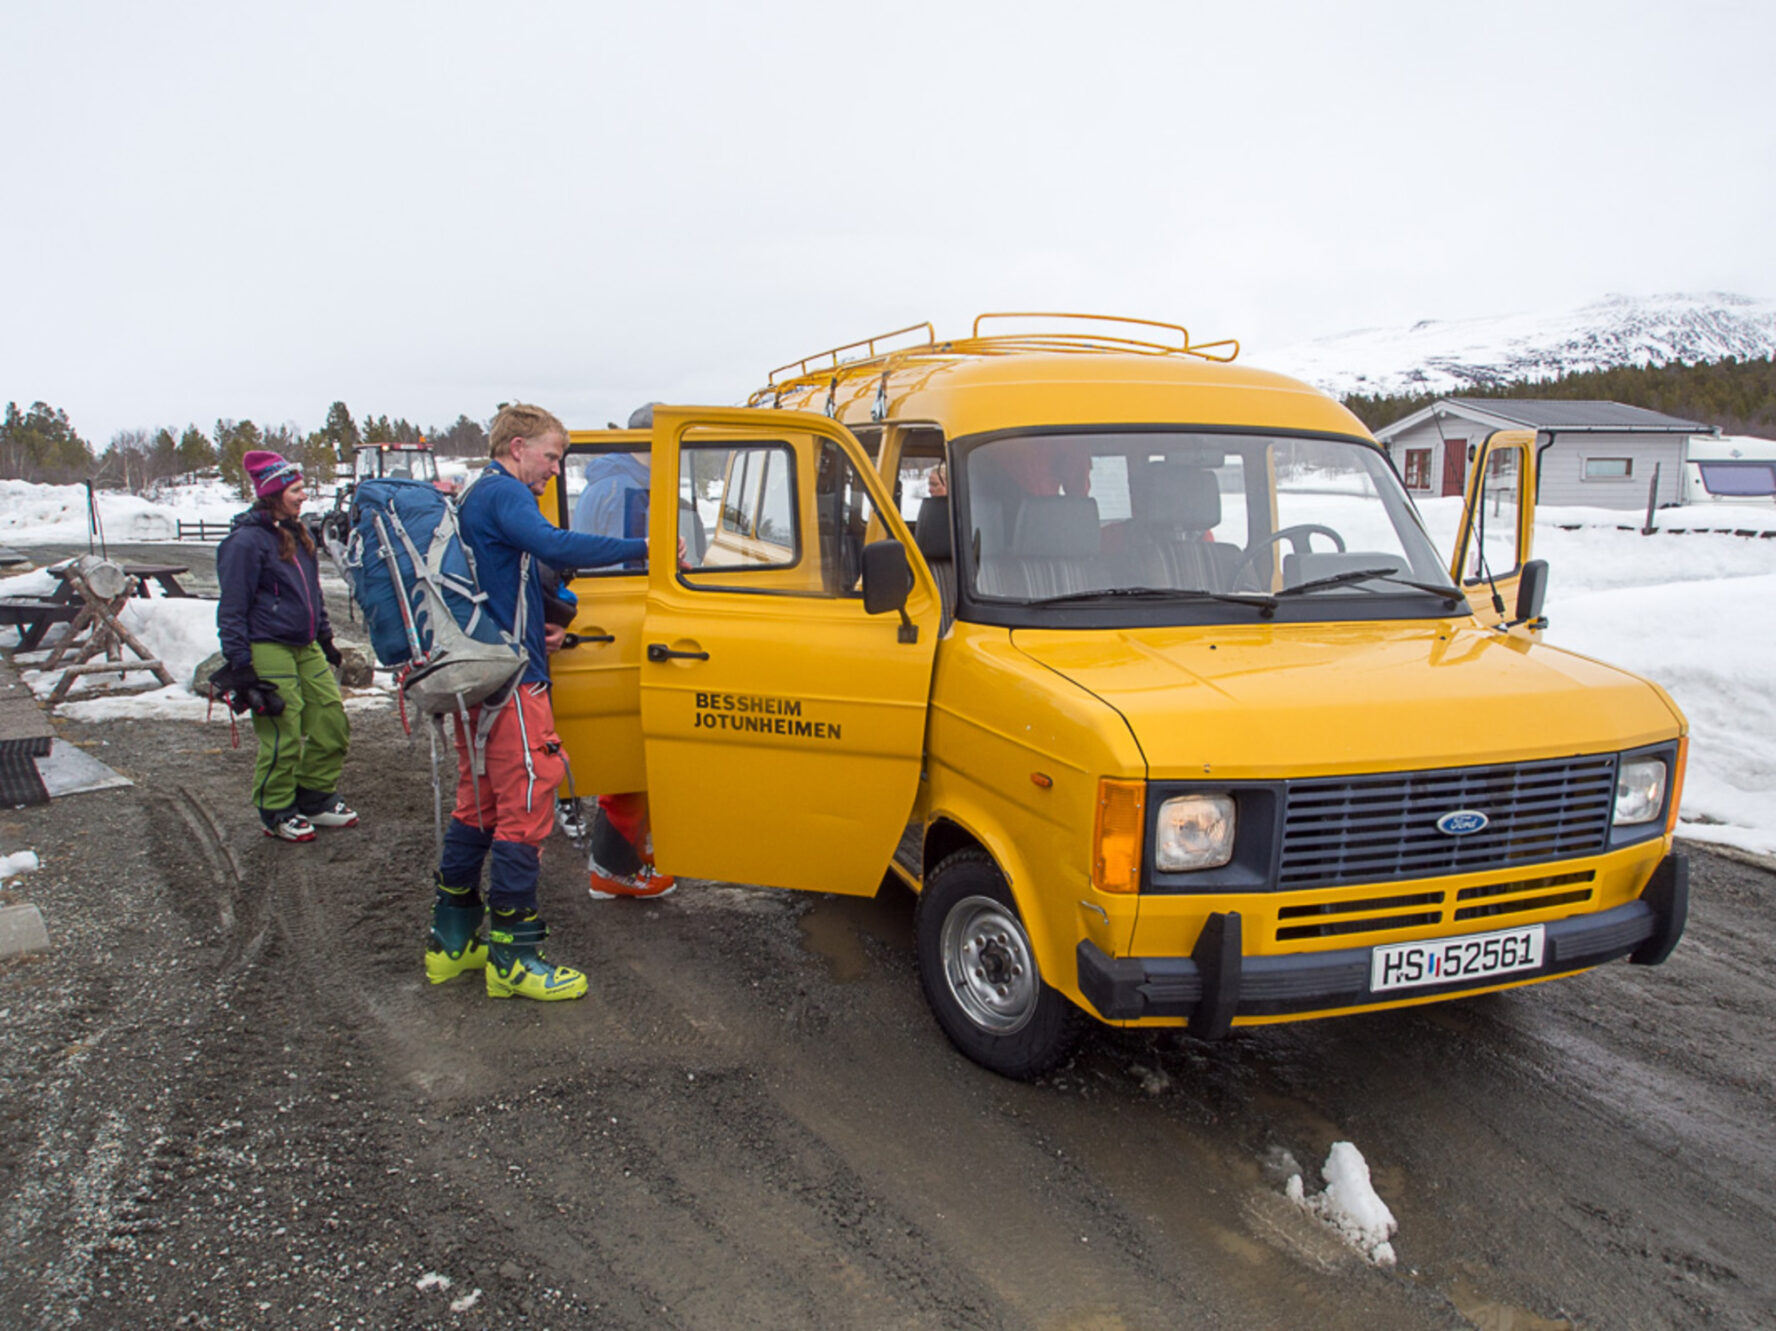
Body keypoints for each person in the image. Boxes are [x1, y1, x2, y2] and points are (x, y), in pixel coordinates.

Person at [426, 403, 649, 1003]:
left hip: (482, 677)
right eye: (552, 456)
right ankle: (514, 958)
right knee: (528, 803)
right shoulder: (506, 495)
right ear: (518, 445)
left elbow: (518, 571)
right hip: (513, 684)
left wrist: (547, 625)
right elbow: (552, 542)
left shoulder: (477, 496)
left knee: (479, 807)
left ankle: (452, 942)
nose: (556, 469)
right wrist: (645, 547)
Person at [215, 451, 356, 843]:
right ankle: (276, 808)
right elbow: (232, 608)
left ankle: (314, 796)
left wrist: (325, 637)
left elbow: (312, 596)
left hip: (305, 644)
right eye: (296, 490)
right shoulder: (245, 543)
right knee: (284, 729)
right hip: (266, 646)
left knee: (331, 721)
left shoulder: (298, 534)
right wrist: (241, 666)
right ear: (274, 493)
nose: (304, 497)